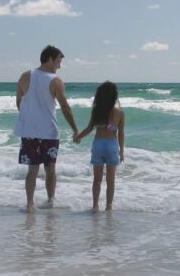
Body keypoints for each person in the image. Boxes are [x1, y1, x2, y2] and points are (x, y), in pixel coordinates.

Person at [14, 45, 79, 212]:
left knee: (32, 169)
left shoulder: (25, 76)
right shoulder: (55, 80)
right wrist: (75, 129)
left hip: (29, 132)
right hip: (49, 132)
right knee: (50, 168)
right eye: (58, 61)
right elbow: (65, 107)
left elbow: (19, 103)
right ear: (50, 60)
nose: (60, 66)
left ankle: (30, 204)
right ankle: (50, 201)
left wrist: (30, 118)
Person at [73, 81, 124, 212]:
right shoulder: (119, 113)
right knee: (110, 180)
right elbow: (121, 133)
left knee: (97, 180)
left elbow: (89, 128)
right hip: (111, 145)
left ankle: (95, 206)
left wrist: (78, 137)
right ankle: (108, 207)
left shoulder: (97, 111)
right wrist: (121, 151)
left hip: (98, 144)